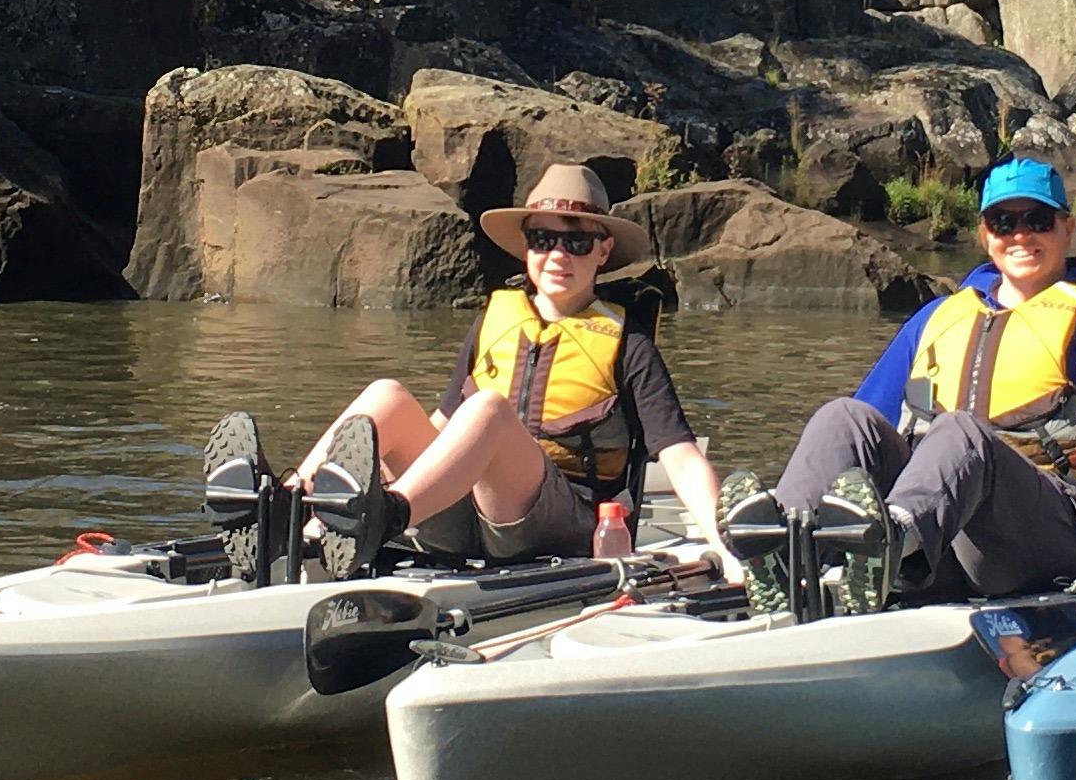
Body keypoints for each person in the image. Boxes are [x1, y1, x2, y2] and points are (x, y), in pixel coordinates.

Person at [729, 157, 1076, 610]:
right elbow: (866, 432)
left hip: (1059, 536)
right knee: (840, 417)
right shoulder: (937, 318)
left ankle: (886, 546)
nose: (1021, 235)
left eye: (1037, 220)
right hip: (947, 540)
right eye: (1003, 222)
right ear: (984, 233)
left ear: (1068, 227)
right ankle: (784, 549)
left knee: (961, 433)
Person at [202, 161, 726, 581]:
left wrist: (722, 541)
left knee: (489, 411)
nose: (557, 255)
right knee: (386, 395)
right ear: (526, 248)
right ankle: (287, 510)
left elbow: (678, 456)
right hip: (462, 517)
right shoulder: (493, 322)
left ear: (603, 251)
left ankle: (380, 519)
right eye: (543, 239)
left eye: (577, 242)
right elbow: (438, 426)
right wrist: (380, 465)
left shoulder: (629, 341)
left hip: (561, 522)